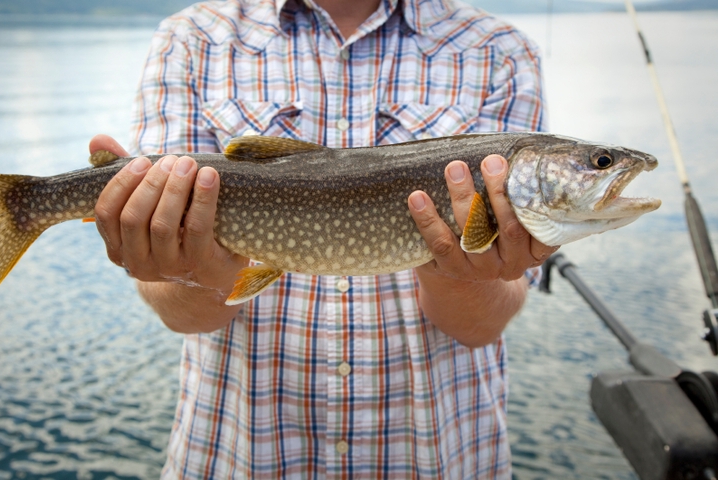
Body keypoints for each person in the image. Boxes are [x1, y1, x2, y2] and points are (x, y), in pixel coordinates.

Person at [91, 0, 556, 477]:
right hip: (238, 455)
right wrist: (196, 273)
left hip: (437, 455)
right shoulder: (192, 39)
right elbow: (179, 312)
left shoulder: (501, 51)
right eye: (599, 164)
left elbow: (479, 327)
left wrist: (461, 275)